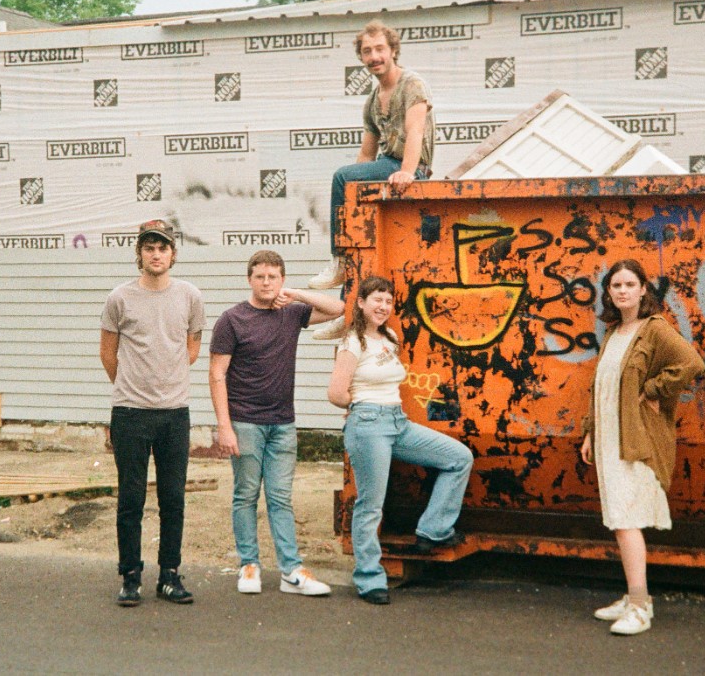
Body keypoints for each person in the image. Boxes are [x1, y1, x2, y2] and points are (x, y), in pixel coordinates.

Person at [327, 275, 474, 605]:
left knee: (458, 458)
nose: (383, 306)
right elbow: (336, 393)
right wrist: (361, 408)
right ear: (361, 303)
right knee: (370, 505)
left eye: (388, 301)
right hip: (369, 425)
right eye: (376, 300)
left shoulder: (389, 337)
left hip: (398, 422)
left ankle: (433, 530)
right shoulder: (352, 343)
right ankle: (369, 578)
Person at [209, 250, 344, 597]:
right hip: (245, 422)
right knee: (245, 495)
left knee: (281, 498)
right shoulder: (232, 320)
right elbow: (217, 374)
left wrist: (296, 294)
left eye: (273, 277)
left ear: (282, 280)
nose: (266, 282)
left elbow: (339, 309)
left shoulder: (292, 313)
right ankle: (249, 565)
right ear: (249, 279)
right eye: (260, 277)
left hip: (283, 423)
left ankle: (291, 571)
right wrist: (224, 426)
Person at [579, 259, 704, 635]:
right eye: (616, 285)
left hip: (634, 440)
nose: (622, 291)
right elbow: (602, 387)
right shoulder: (614, 331)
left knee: (626, 520)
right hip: (609, 438)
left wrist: (652, 390)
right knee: (619, 518)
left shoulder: (654, 329)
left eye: (629, 284)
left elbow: (691, 363)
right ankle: (634, 597)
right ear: (609, 292)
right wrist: (590, 432)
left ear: (643, 289)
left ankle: (639, 606)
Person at [99, 219, 206, 607]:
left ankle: (169, 575)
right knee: (131, 500)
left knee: (173, 499)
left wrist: (167, 378)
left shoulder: (190, 296)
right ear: (139, 254)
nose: (156, 254)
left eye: (162, 248)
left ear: (173, 254)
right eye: (149, 248)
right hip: (130, 414)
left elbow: (192, 347)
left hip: (174, 414)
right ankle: (130, 576)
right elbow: (107, 353)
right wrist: (132, 386)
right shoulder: (119, 298)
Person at [308, 20, 436, 340]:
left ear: (393, 51)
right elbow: (366, 154)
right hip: (385, 166)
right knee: (357, 245)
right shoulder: (372, 99)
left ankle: (338, 262)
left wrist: (408, 171)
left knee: (342, 177)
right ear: (361, 57)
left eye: (380, 49)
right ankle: (347, 312)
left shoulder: (412, 85)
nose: (374, 56)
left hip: (410, 167)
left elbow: (416, 131)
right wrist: (351, 195)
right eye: (367, 51)